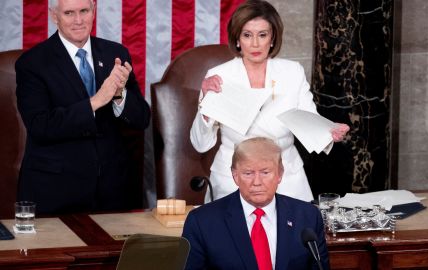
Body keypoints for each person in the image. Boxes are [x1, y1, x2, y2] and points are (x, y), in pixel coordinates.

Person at [190, 0, 349, 203]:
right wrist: (206, 106)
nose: (255, 44)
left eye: (262, 35)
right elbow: (200, 144)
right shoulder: (219, 76)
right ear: (237, 39)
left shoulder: (292, 72)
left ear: (272, 38)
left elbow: (310, 120)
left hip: (286, 176)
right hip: (233, 177)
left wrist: (329, 131)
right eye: (247, 35)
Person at [15, 0, 151, 214]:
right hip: (56, 192)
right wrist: (97, 101)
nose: (78, 20)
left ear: (93, 11)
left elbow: (142, 119)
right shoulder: (33, 63)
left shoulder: (115, 54)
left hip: (112, 192)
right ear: (54, 16)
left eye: (84, 11)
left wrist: (118, 95)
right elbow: (41, 125)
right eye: (69, 13)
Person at [182, 137, 330, 270]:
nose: (257, 182)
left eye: (265, 172)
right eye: (248, 173)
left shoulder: (308, 216)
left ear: (279, 174)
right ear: (235, 176)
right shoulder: (202, 222)